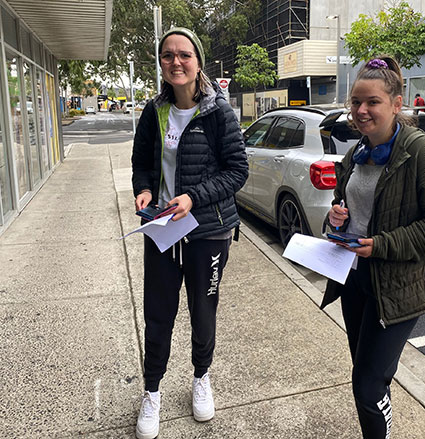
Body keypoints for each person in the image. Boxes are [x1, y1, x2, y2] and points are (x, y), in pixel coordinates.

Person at [323, 57, 425, 439]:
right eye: (355, 102)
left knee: (368, 386)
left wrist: (380, 245)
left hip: (400, 284)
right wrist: (335, 219)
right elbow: (346, 209)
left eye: (372, 102)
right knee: (366, 375)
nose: (361, 111)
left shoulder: (419, 152)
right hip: (355, 279)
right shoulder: (356, 154)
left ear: (397, 104)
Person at [131, 27, 248, 439]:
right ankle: (152, 391)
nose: (175, 62)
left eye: (184, 55)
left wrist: (193, 198)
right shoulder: (153, 111)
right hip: (163, 230)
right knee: (158, 316)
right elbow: (142, 162)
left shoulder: (219, 112)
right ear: (160, 63)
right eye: (167, 56)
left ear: (198, 61)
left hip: (207, 233)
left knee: (203, 312)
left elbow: (238, 171)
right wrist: (145, 190)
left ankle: (201, 377)